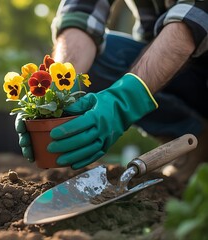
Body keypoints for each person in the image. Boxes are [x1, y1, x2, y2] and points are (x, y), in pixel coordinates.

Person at [16, 0, 208, 183]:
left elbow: (195, 19)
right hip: (180, 68)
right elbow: (81, 11)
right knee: (95, 60)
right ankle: (192, 137)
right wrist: (60, 84)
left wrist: (124, 100)